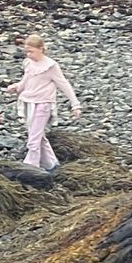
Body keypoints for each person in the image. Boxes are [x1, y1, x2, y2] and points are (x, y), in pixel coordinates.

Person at [16, 34, 83, 171]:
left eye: (31, 51)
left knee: (34, 139)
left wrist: (75, 104)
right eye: (27, 51)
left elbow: (63, 84)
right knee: (38, 136)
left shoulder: (50, 66)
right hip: (28, 102)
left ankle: (31, 167)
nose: (28, 55)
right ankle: (51, 164)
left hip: (43, 104)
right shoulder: (28, 63)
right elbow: (26, 80)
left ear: (41, 49)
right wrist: (16, 87)